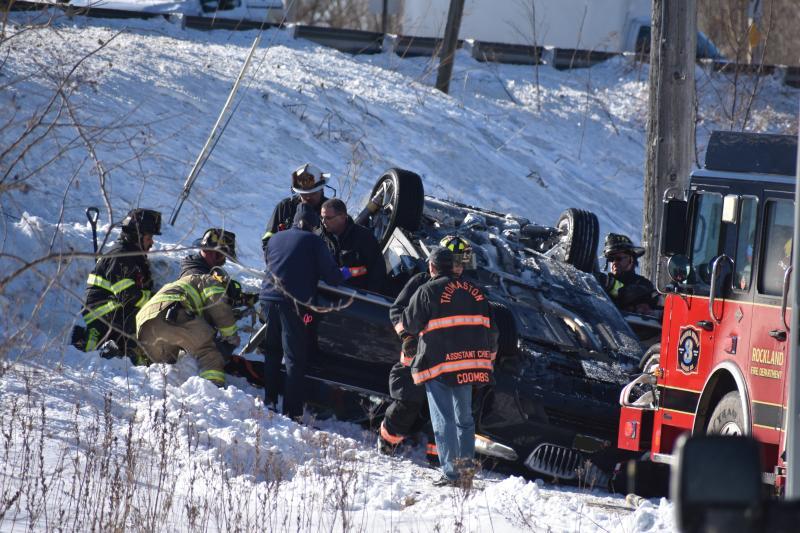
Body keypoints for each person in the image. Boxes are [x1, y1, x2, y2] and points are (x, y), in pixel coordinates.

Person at [401, 247, 497, 488]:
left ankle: (451, 474)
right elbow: (491, 327)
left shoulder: (426, 290)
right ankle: (465, 472)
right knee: (464, 419)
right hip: (467, 364)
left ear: (432, 267)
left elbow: (410, 324)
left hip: (439, 364)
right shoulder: (476, 292)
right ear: (454, 266)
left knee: (443, 418)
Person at [379, 235, 474, 455]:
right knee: (407, 403)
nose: (459, 268)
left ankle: (437, 456)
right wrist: (406, 337)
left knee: (445, 411)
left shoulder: (467, 289)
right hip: (417, 360)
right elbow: (397, 310)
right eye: (456, 262)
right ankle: (387, 443)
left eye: (462, 264)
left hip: (448, 363)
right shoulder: (422, 282)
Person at [259, 203, 345, 419]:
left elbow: (273, 261)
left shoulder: (275, 238)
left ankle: (269, 400)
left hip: (268, 297)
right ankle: (292, 411)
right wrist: (346, 272)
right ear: (314, 224)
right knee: (294, 358)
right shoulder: (314, 241)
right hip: (293, 303)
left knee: (272, 351)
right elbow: (332, 276)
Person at [71, 208, 160, 360]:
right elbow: (129, 296)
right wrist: (154, 301)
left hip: (118, 313)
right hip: (103, 314)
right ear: (137, 236)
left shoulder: (136, 259)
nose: (151, 243)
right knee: (142, 327)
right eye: (149, 237)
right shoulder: (120, 256)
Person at [136, 268, 240, 387]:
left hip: (145, 326)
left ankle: (168, 397)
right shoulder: (211, 281)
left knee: (167, 368)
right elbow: (219, 307)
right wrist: (231, 335)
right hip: (172, 314)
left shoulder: (186, 282)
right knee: (207, 350)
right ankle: (214, 389)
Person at [320, 198, 387, 293]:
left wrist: (351, 272)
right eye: (322, 217)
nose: (323, 222)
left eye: (328, 218)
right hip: (324, 292)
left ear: (343, 217)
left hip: (354, 296)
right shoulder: (319, 237)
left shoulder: (365, 238)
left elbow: (375, 272)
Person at [180, 228, 258, 308]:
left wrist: (243, 298)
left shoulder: (206, 270)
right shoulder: (197, 275)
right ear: (209, 251)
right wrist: (239, 301)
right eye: (222, 255)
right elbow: (216, 303)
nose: (223, 259)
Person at [261, 163, 330, 249]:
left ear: (321, 189)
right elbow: (268, 239)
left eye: (313, 193)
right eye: (304, 194)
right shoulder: (285, 207)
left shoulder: (331, 211)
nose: (308, 197)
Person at [597, 233, 658, 315]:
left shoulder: (644, 284)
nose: (614, 262)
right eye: (611, 259)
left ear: (631, 259)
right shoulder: (602, 283)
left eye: (618, 258)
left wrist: (608, 284)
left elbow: (626, 294)